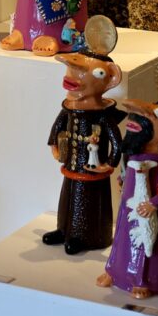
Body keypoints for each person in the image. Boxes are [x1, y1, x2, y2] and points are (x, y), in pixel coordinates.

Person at [98, 96, 158, 298]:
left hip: (151, 210)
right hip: (130, 207)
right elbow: (127, 170)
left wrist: (154, 203)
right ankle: (116, 272)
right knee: (123, 236)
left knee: (150, 240)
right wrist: (124, 179)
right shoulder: (134, 154)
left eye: (156, 115)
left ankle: (144, 280)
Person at [42, 49, 124, 254]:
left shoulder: (102, 115)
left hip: (91, 169)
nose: (73, 76)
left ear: (111, 78)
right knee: (67, 198)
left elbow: (117, 142)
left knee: (86, 201)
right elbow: (57, 127)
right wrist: (54, 145)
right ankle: (64, 229)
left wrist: (109, 164)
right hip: (71, 165)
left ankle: (84, 237)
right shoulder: (69, 109)